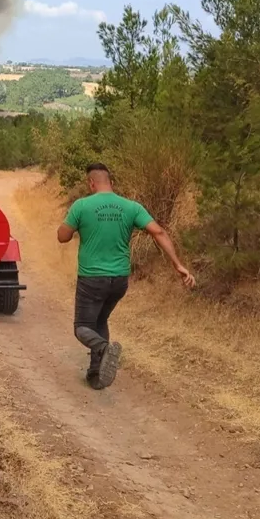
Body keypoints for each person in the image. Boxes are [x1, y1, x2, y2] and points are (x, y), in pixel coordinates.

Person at [57, 163, 195, 390]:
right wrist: (178, 265)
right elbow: (158, 231)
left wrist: (72, 225)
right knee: (100, 321)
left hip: (92, 278)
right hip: (120, 279)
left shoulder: (81, 205)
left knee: (82, 327)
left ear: (91, 183)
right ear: (110, 182)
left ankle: (102, 348)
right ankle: (96, 374)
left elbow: (62, 237)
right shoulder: (131, 207)